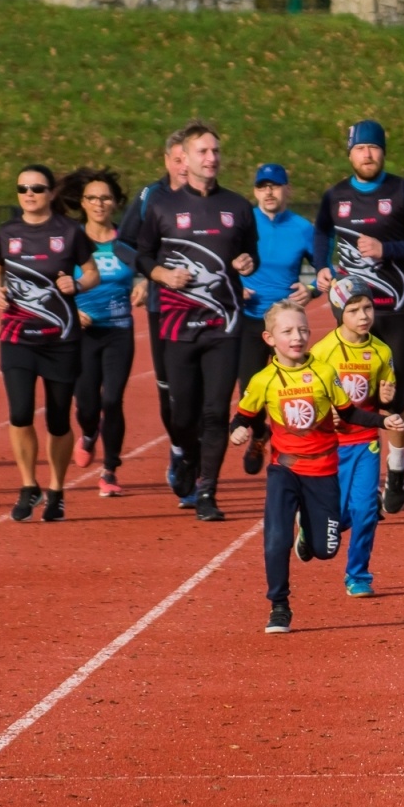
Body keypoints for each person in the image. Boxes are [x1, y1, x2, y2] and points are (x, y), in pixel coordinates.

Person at [232, 300, 404, 632]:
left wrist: (384, 420)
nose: (297, 337)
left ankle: (309, 532)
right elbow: (243, 417)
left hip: (324, 469)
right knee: (276, 537)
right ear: (270, 339)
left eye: (303, 330)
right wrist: (238, 430)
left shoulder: (325, 373)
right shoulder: (263, 380)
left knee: (325, 550)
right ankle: (279, 606)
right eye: (287, 332)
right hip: (285, 468)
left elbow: (352, 413)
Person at [313, 119, 404, 513]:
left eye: (373, 148)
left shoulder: (402, 191)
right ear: (349, 153)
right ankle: (356, 480)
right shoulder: (335, 195)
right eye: (360, 148)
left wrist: (387, 250)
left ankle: (397, 467)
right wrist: (320, 265)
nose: (367, 154)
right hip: (351, 312)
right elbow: (321, 233)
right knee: (351, 394)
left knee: (393, 396)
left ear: (383, 152)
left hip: (397, 308)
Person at [135, 122, 260, 522]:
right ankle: (186, 455)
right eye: (203, 152)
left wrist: (247, 263)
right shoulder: (161, 205)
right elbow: (142, 255)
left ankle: (207, 491)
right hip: (177, 326)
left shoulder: (238, 206)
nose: (211, 158)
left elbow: (249, 254)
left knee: (214, 410)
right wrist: (161, 276)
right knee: (182, 413)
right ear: (184, 159)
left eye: (216, 152)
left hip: (224, 325)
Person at [0, 165, 99, 521]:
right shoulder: (6, 232)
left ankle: (56, 490)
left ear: (51, 193)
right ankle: (29, 487)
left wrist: (79, 285)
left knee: (58, 420)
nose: (29, 194)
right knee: (20, 413)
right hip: (16, 336)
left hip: (60, 339)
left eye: (38, 188)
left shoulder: (69, 232)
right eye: (23, 188)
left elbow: (91, 272)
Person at [308, 277, 399, 597]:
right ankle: (312, 527)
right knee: (339, 514)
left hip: (365, 441)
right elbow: (309, 395)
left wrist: (387, 397)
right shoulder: (322, 351)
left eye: (368, 308)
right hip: (331, 444)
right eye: (354, 310)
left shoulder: (381, 350)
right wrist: (325, 412)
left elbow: (383, 396)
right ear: (338, 313)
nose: (364, 316)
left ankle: (358, 574)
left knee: (365, 510)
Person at [115, 129, 186, 500]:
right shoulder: (150, 197)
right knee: (169, 390)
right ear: (167, 161)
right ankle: (178, 450)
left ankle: (199, 473)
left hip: (209, 309)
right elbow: (123, 243)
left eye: (188, 158)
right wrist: (149, 273)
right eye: (177, 159)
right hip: (163, 306)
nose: (184, 167)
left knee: (205, 393)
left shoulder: (215, 199)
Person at [58, 168, 134, 498]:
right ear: (82, 202)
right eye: (92, 197)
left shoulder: (126, 244)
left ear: (115, 202)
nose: (99, 203)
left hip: (119, 331)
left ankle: (110, 469)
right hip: (82, 333)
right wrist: (73, 311)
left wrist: (146, 288)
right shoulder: (72, 240)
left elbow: (150, 270)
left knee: (113, 399)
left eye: (105, 197)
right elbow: (53, 284)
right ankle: (89, 433)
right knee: (86, 404)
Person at [240, 163, 316, 475]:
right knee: (250, 388)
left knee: (292, 390)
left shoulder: (302, 228)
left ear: (288, 189)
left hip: (286, 324)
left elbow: (330, 270)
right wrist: (234, 285)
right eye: (262, 186)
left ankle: (292, 450)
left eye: (275, 186)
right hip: (249, 318)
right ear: (255, 191)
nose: (268, 192)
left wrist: (311, 289)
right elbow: (220, 261)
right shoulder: (243, 223)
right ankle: (260, 434)